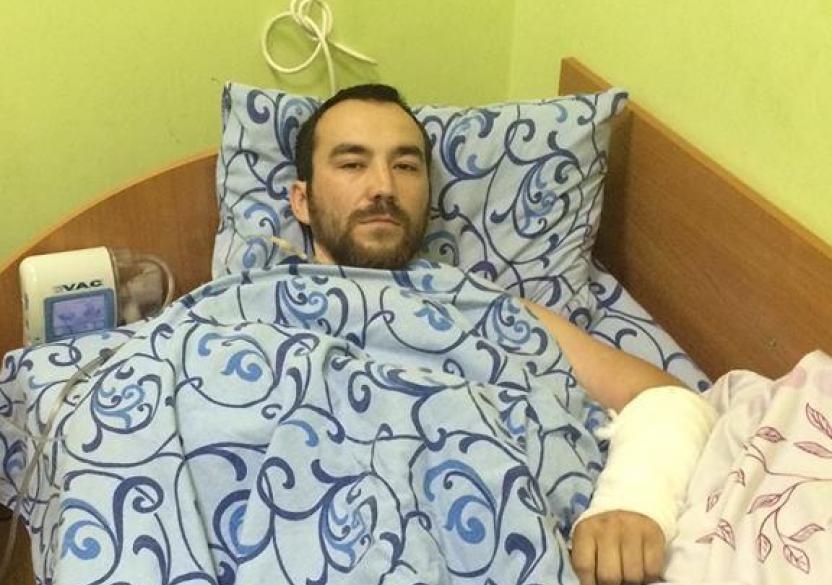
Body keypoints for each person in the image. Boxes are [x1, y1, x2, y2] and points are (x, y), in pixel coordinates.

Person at [288, 84, 705, 585]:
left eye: (406, 166)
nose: (383, 186)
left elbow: (664, 398)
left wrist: (634, 498)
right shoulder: (235, 310)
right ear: (302, 201)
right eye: (353, 164)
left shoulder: (483, 305)